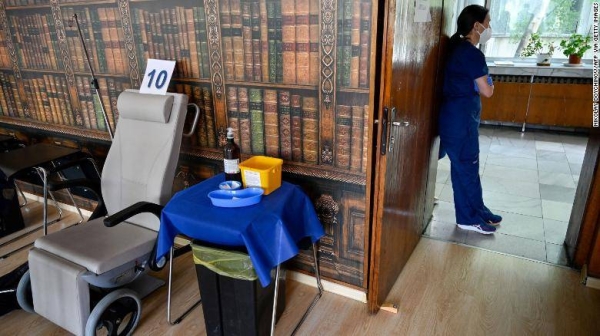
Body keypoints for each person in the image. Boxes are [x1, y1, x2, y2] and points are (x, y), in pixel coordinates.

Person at [438, 5, 502, 235]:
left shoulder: (458, 48)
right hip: (460, 120)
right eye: (488, 22)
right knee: (466, 167)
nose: (489, 28)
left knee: (466, 168)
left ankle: (478, 210)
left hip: (458, 118)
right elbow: (487, 91)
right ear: (477, 26)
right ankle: (468, 218)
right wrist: (489, 82)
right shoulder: (471, 53)